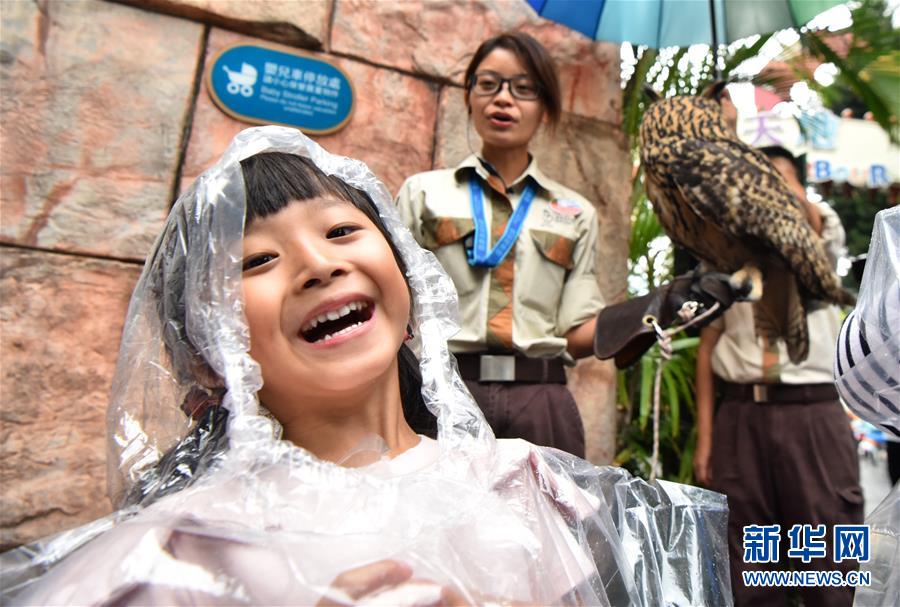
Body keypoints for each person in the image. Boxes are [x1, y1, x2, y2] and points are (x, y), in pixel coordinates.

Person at [0, 126, 731, 606]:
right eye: (256, 260)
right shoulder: (181, 551)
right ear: (205, 352)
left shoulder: (518, 486)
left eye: (343, 229)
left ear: (411, 280)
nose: (319, 264)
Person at [396, 32, 602, 458]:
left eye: (524, 89)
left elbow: (578, 333)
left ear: (545, 108)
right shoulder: (422, 194)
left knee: (552, 524)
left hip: (541, 397)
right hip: (443, 392)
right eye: (488, 84)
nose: (503, 99)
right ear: (469, 97)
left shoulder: (576, 212)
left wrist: (654, 314)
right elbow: (395, 305)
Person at [693, 145, 863, 607]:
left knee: (830, 555)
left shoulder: (821, 243)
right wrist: (707, 439)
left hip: (813, 416)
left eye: (775, 178)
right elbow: (708, 349)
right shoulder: (725, 259)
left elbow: (815, 225)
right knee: (749, 565)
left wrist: (779, 188)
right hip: (742, 417)